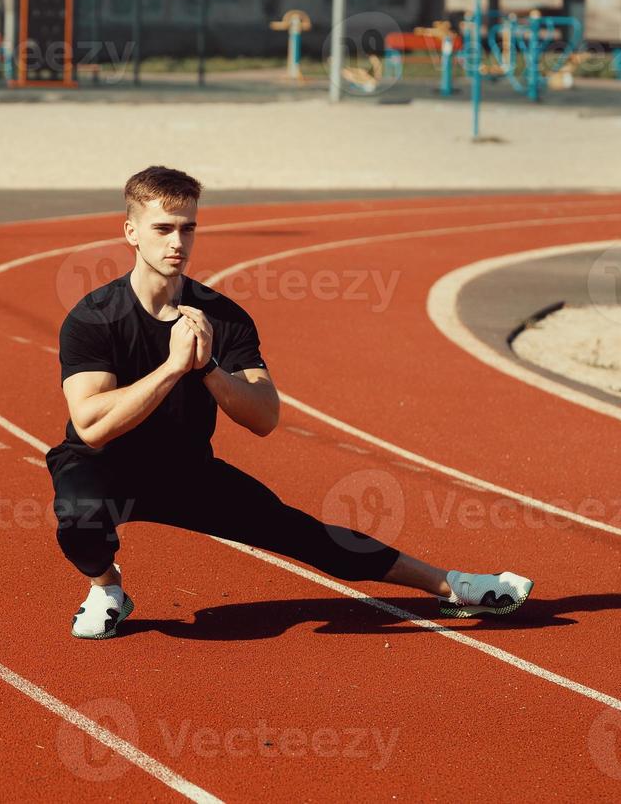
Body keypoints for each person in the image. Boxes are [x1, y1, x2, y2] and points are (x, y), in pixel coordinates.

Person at [48, 167, 533, 639]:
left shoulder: (223, 317)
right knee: (79, 517)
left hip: (187, 470)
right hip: (103, 467)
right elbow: (92, 426)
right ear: (131, 232)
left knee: (307, 536)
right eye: (163, 228)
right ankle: (107, 588)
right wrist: (173, 367)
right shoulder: (94, 319)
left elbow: (265, 416)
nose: (177, 243)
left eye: (188, 228)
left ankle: (458, 585)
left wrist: (208, 368)